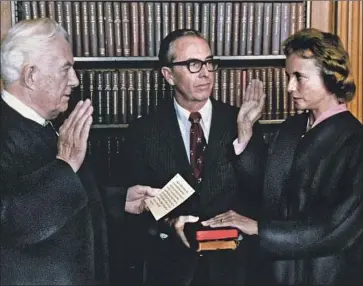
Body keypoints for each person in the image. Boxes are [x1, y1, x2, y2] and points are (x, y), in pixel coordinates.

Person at [0, 18, 158, 285]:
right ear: (31, 76)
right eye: (66, 69)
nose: (74, 80)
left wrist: (120, 201)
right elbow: (11, 221)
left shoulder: (45, 124)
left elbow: (67, 201)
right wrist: (64, 165)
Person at [202, 28, 363, 286]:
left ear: (330, 77)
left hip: (325, 277)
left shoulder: (355, 141)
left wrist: (259, 228)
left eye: (299, 77)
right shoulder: (291, 129)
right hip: (274, 273)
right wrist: (245, 129)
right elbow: (266, 190)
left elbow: (336, 229)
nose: (289, 87)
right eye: (289, 76)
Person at [122, 29, 266, 286]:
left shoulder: (240, 120)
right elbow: (137, 204)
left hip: (234, 270)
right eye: (193, 64)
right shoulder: (143, 131)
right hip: (171, 269)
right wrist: (169, 222)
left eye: (209, 63)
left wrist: (245, 134)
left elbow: (261, 192)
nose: (205, 73)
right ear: (168, 75)